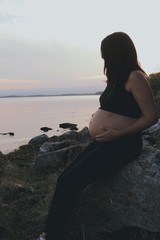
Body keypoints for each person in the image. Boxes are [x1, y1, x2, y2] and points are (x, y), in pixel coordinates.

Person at [37, 32, 158, 240]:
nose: (104, 60)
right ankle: (52, 231)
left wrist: (118, 132)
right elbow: (115, 107)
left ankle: (49, 235)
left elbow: (151, 117)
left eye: (107, 56)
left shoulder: (135, 77)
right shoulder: (116, 78)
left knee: (69, 182)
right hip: (107, 140)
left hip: (124, 143)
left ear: (118, 54)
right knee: (64, 178)